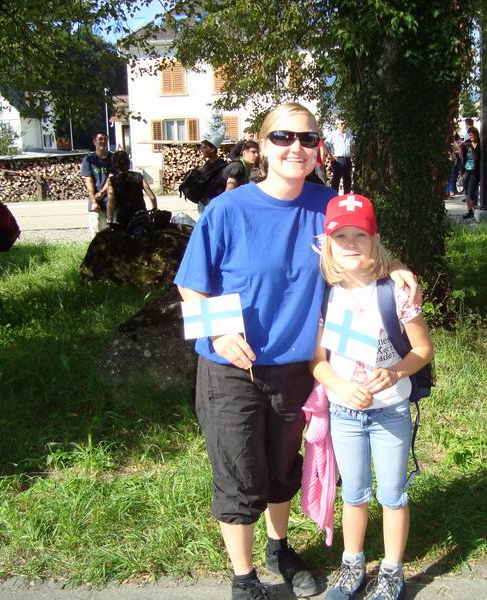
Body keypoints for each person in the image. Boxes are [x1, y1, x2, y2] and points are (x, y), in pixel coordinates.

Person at [173, 102, 417, 600]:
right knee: (240, 472)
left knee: (283, 467)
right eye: (283, 137)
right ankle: (244, 579)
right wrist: (218, 335)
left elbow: (362, 248)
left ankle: (278, 547)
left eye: (307, 138)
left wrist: (398, 270)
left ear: (318, 148)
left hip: (298, 368)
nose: (296, 148)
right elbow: (190, 286)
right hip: (232, 368)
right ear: (262, 146)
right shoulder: (227, 210)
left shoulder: (328, 205)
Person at [311, 194, 433, 600]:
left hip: (391, 411)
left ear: (374, 240)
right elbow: (318, 362)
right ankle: (353, 565)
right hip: (344, 413)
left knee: (393, 495)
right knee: (354, 493)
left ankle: (393, 570)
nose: (350, 244)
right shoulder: (324, 294)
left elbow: (423, 349)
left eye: (359, 235)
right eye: (340, 236)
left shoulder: (395, 292)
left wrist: (395, 372)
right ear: (327, 244)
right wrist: (341, 387)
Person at [105, 151, 158, 229]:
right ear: (128, 162)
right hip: (141, 216)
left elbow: (111, 202)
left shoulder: (112, 180)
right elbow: (152, 197)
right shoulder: (138, 176)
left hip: (124, 219)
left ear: (114, 164)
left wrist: (109, 221)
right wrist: (154, 211)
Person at [81, 132, 114, 236]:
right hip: (96, 202)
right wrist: (93, 200)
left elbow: (111, 177)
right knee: (96, 232)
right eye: (100, 139)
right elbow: (89, 181)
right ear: (94, 142)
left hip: (112, 200)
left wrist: (102, 192)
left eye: (105, 139)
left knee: (113, 233)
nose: (103, 141)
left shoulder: (113, 158)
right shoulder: (88, 160)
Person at [197, 129, 228, 213]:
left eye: (204, 147)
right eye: (201, 147)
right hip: (204, 202)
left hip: (216, 203)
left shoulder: (223, 166)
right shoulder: (206, 165)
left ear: (213, 149)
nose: (202, 150)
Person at [327, 118, 354, 194]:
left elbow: (353, 144)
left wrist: (352, 152)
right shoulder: (333, 135)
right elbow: (325, 144)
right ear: (337, 125)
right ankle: (334, 197)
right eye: (341, 124)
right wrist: (330, 155)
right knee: (336, 180)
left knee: (347, 180)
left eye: (344, 123)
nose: (343, 125)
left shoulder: (348, 134)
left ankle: (347, 197)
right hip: (337, 159)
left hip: (347, 159)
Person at [460, 127, 481, 220]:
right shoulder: (466, 143)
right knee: (466, 193)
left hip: (474, 170)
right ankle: (470, 211)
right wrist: (460, 148)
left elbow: (476, 157)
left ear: (476, 134)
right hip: (466, 170)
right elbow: (462, 157)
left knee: (471, 193)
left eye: (472, 135)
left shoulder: (479, 144)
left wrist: (471, 147)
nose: (471, 137)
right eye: (470, 135)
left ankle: (476, 210)